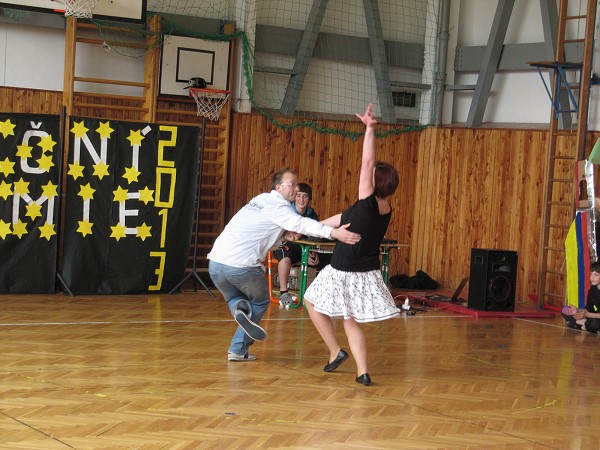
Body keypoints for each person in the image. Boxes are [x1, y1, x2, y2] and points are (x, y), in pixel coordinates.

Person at [207, 169, 361, 362]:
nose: (296, 189)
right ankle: (238, 348)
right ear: (278, 187)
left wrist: (283, 236)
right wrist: (333, 233)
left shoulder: (259, 200)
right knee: (260, 301)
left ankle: (238, 307)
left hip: (215, 265)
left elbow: (261, 235)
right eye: (292, 184)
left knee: (234, 297)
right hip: (240, 268)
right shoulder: (280, 208)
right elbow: (302, 224)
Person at [303, 103, 400, 386]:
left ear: (373, 182)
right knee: (350, 319)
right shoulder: (383, 208)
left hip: (343, 268)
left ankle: (335, 351)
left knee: (310, 301)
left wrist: (369, 129)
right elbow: (344, 218)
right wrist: (316, 229)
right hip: (366, 271)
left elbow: (367, 163)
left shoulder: (368, 202)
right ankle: (362, 371)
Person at [273, 182, 330, 306]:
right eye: (298, 196)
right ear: (294, 197)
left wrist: (312, 252)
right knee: (285, 256)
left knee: (327, 257)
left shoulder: (312, 214)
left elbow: (314, 238)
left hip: (304, 248)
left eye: (305, 196)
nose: (301, 199)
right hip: (286, 245)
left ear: (309, 199)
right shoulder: (286, 211)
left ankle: (320, 293)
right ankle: (283, 292)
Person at [562, 261, 600, 333]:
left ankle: (580, 324)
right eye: (591, 274)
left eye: (596, 275)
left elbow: (589, 314)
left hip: (596, 319)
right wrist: (577, 310)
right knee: (565, 310)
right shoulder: (592, 290)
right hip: (592, 316)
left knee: (595, 323)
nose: (592, 277)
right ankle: (584, 324)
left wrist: (587, 314)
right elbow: (589, 309)